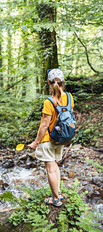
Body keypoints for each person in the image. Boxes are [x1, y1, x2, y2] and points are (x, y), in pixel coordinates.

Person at [28, 68, 74, 207]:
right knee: (55, 166)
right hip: (61, 139)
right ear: (63, 82)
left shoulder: (49, 102)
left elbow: (44, 125)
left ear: (48, 83)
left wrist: (36, 142)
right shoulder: (69, 97)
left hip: (48, 139)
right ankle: (58, 193)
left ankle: (55, 199)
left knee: (51, 169)